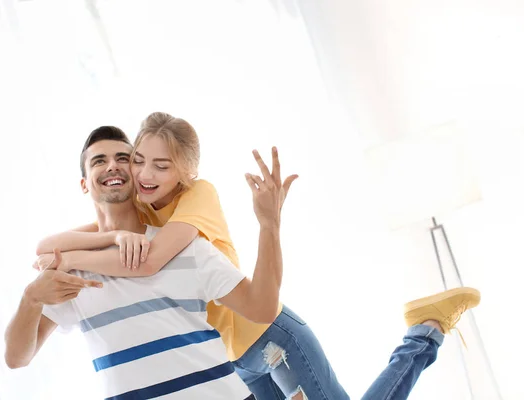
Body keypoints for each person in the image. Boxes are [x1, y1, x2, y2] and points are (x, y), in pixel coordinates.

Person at [34, 117, 481, 400]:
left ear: (186, 173)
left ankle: (423, 333)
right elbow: (73, 240)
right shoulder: (144, 207)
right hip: (230, 357)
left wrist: (70, 258)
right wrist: (59, 252)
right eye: (139, 160)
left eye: (162, 165)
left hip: (269, 335)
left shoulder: (197, 198)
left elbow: (147, 262)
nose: (146, 173)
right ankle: (423, 331)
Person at [5, 127, 293, 399]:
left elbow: (261, 308)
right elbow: (16, 357)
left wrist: (269, 225)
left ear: (136, 175)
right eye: (98, 161)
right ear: (84, 184)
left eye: (123, 159)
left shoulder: (184, 248)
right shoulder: (71, 270)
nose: (112, 166)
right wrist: (30, 299)